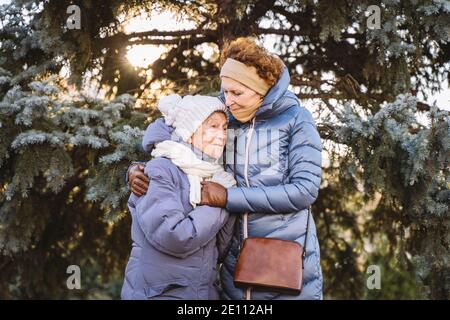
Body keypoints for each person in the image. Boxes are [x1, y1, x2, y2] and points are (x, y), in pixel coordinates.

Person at [127, 37, 323, 300]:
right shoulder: (227, 113)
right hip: (233, 264)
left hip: (281, 261)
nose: (227, 100)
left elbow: (305, 190)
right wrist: (138, 168)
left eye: (236, 93)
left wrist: (228, 198)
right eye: (225, 91)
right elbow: (171, 126)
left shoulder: (297, 119)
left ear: (261, 90)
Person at [121, 94, 236, 300]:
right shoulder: (161, 169)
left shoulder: (215, 176)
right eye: (213, 126)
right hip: (159, 293)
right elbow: (174, 236)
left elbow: (219, 248)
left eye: (225, 127)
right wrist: (218, 203)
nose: (221, 135)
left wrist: (226, 196)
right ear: (189, 131)